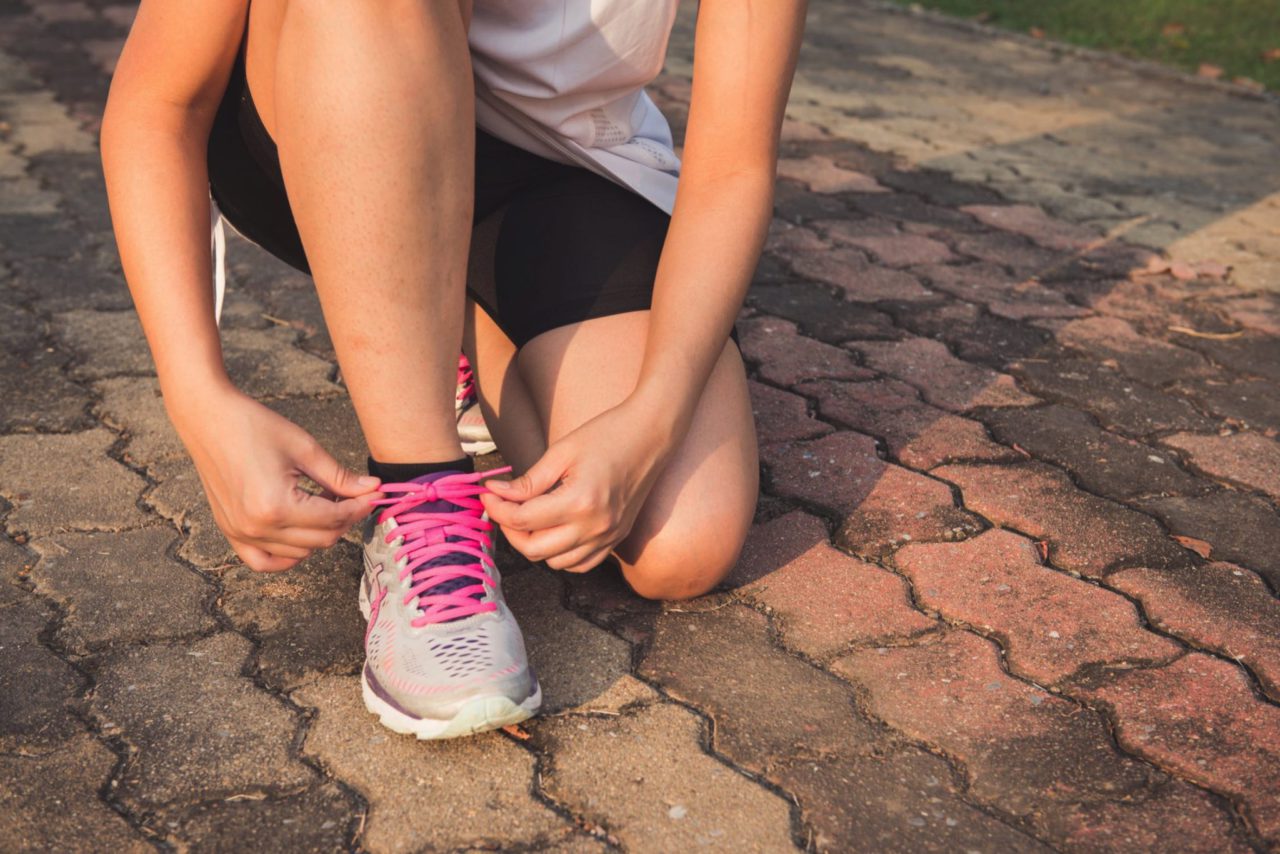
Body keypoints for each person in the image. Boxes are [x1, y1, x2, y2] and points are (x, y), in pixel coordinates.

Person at [101, 0, 807, 739]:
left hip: (562, 163)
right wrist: (198, 395)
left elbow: (734, 164)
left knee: (678, 543)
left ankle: (438, 323)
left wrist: (652, 418)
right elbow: (158, 103)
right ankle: (421, 497)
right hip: (326, 95)